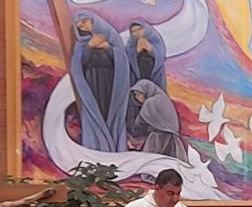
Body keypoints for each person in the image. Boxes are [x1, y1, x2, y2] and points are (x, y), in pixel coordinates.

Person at [71, 11, 131, 153]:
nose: (83, 27)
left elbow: (122, 59)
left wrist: (107, 48)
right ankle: (97, 147)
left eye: (84, 22)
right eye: (80, 26)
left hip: (111, 81)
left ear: (93, 21)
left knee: (111, 111)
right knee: (96, 112)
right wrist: (89, 47)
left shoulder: (111, 37)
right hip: (92, 82)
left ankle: (115, 146)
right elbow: (79, 64)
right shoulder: (81, 44)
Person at [129, 80, 188, 161]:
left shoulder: (150, 102)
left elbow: (140, 122)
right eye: (136, 95)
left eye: (139, 94)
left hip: (158, 138)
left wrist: (133, 133)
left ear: (147, 91)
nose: (137, 97)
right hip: (172, 138)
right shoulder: (163, 98)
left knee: (151, 161)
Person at [126, 21, 167, 90]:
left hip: (154, 72)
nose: (137, 32)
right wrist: (136, 51)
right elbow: (129, 56)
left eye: (140, 29)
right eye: (134, 31)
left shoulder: (155, 39)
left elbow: (161, 54)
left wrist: (150, 49)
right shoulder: (131, 44)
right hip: (139, 73)